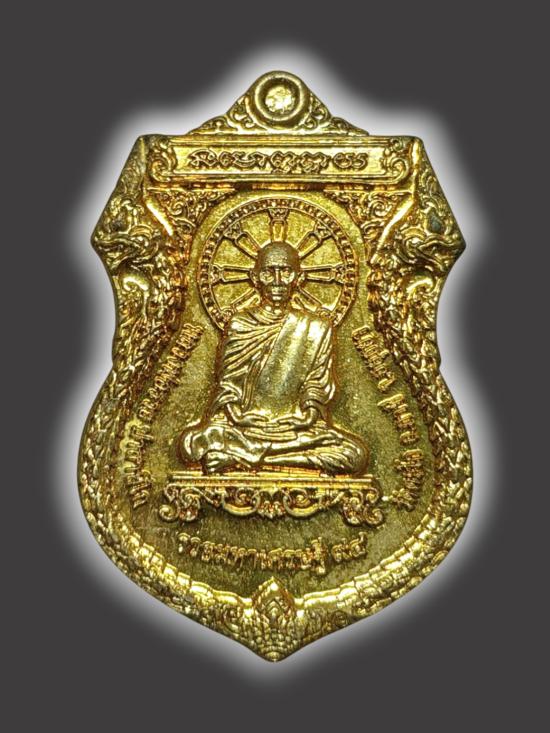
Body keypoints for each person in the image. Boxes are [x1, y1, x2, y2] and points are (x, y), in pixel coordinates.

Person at [180, 238, 368, 475]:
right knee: (190, 445)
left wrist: (307, 418)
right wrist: (238, 417)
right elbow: (228, 386)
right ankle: (262, 455)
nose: (278, 281)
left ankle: (245, 458)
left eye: (286, 272)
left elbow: (316, 385)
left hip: (297, 430)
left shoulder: (317, 328)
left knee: (354, 455)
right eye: (268, 272)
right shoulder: (240, 324)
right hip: (244, 427)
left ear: (299, 278)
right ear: (255, 277)